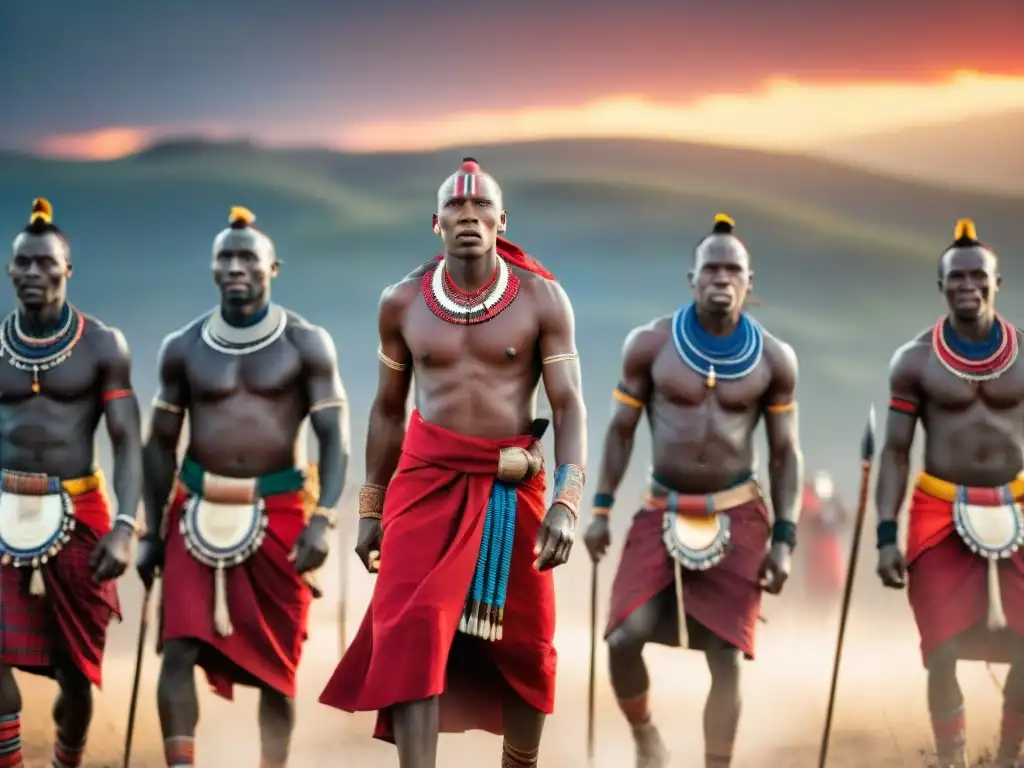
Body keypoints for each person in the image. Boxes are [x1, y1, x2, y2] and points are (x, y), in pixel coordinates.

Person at [319, 158, 587, 768]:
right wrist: (370, 509)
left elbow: (569, 406)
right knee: (411, 636)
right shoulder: (401, 302)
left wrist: (567, 503)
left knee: (526, 645)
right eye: (456, 208)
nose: (469, 216)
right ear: (435, 222)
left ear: (501, 219)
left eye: (481, 206)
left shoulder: (544, 299)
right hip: (423, 485)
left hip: (509, 487)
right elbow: (387, 412)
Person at [583, 213, 803, 768]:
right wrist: (601, 508)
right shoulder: (651, 345)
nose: (721, 278)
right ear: (692, 278)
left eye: (733, 269)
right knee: (622, 637)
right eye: (711, 268)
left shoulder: (775, 359)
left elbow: (784, 454)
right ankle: (646, 738)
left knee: (726, 656)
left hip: (739, 514)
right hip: (661, 509)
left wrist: (785, 538)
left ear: (750, 282)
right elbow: (620, 431)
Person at [137, 206, 349, 768]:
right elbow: (159, 443)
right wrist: (148, 531)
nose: (235, 267)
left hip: (280, 510)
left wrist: (324, 519)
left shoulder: (307, 344)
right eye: (225, 258)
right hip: (193, 508)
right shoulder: (182, 347)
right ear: (211, 269)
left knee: (277, 671)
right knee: (178, 647)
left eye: (247, 257)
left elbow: (334, 436)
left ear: (272, 267)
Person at [875, 219, 1024, 768]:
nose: (968, 284)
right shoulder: (913, 362)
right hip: (939, 505)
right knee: (940, 650)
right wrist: (886, 535)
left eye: (978, 275)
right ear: (940, 287)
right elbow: (894, 451)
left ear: (997, 282)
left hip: (1018, 505)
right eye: (955, 276)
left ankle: (1009, 756)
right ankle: (951, 760)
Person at [0, 198, 142, 768]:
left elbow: (127, 440)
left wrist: (126, 527)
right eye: (23, 264)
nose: (33, 274)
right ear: (10, 271)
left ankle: (68, 761)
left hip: (80, 508)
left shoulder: (103, 345)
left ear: (68, 270)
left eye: (45, 264)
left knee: (75, 672)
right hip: (2, 506)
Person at [799, 470, 847, 602]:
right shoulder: (807, 501)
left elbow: (842, 520)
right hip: (816, 559)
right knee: (818, 598)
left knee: (830, 597)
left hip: (829, 557)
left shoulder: (830, 504)